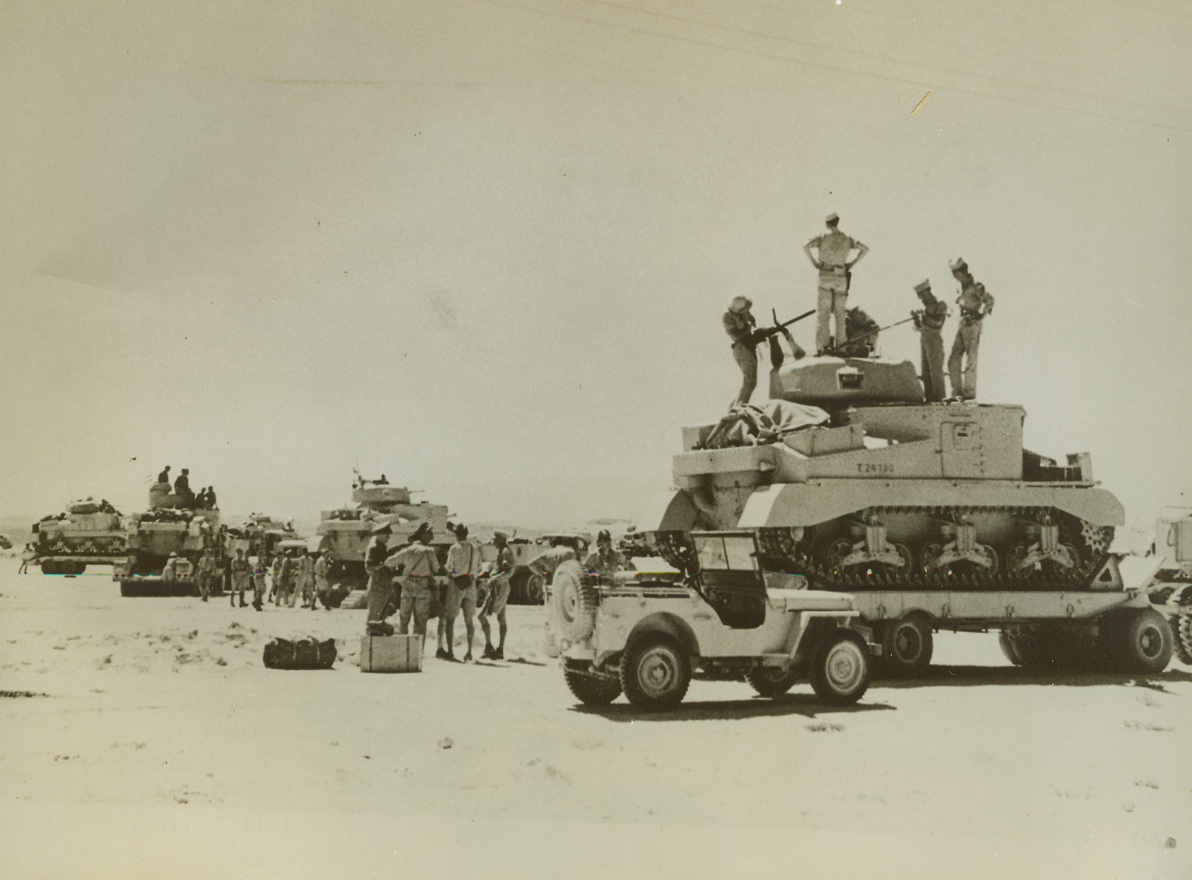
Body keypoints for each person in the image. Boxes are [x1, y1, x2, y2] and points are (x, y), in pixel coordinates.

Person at [803, 213, 869, 353]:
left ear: (827, 223)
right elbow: (865, 249)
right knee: (840, 314)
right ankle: (841, 347)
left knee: (823, 314)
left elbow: (805, 246)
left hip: (825, 276)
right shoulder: (847, 238)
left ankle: (823, 347)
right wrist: (851, 264)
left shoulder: (821, 237)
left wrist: (814, 262)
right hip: (841, 276)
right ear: (837, 222)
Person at [947, 257, 995, 400]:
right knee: (953, 360)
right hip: (962, 323)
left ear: (961, 271)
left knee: (971, 360)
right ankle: (957, 392)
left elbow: (989, 300)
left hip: (972, 324)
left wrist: (980, 316)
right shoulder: (961, 287)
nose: (954, 276)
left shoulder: (976, 286)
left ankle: (969, 394)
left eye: (955, 272)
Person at [385, 523, 442, 642]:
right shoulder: (430, 551)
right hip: (423, 587)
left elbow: (389, 562)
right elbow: (436, 569)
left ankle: (404, 648)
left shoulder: (407, 550)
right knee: (420, 621)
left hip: (408, 586)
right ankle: (418, 650)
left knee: (404, 619)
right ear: (424, 535)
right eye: (430, 534)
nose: (432, 537)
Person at [442, 523, 481, 661]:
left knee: (450, 619)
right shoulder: (474, 548)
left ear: (456, 535)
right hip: (471, 584)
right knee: (469, 621)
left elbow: (449, 567)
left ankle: (450, 651)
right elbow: (479, 568)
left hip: (457, 584)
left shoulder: (454, 548)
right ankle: (469, 651)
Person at [911, 279, 949, 402]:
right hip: (924, 339)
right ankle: (929, 399)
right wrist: (915, 319)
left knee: (935, 372)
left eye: (922, 294)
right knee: (926, 372)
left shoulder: (940, 305)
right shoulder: (925, 308)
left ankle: (939, 399)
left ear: (928, 291)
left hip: (934, 339)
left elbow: (937, 323)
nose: (921, 298)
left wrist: (924, 317)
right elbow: (919, 328)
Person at [478, 529, 513, 660]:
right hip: (500, 586)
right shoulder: (503, 551)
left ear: (501, 540)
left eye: (495, 539)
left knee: (481, 616)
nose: (494, 542)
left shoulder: (505, 552)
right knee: (501, 618)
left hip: (499, 587)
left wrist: (493, 579)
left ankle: (489, 646)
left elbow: (508, 571)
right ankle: (500, 650)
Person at [723, 295, 760, 406]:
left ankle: (735, 407)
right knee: (749, 382)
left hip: (748, 347)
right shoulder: (727, 316)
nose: (746, 311)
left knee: (751, 382)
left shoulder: (743, 313)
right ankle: (738, 408)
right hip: (742, 348)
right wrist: (747, 329)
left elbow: (751, 318)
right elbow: (735, 334)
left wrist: (752, 324)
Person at [364, 528, 397, 635]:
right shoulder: (373, 547)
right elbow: (369, 567)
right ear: (380, 534)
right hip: (378, 585)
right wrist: (384, 565)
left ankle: (376, 645)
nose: (388, 537)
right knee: (373, 620)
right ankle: (369, 644)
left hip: (384, 585)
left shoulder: (382, 547)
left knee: (380, 620)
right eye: (387, 534)